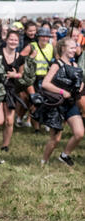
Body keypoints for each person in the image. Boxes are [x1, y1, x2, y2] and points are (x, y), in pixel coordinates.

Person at [39, 37, 84, 166]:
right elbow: (45, 84)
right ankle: (44, 162)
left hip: (70, 104)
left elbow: (79, 83)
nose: (74, 49)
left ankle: (64, 155)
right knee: (56, 139)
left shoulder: (75, 65)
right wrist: (61, 92)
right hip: (57, 105)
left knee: (79, 133)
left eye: (75, 47)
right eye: (71, 47)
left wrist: (80, 87)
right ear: (63, 48)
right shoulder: (56, 65)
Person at [0, 30, 26, 152]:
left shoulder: (20, 57)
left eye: (15, 40)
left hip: (11, 90)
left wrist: (16, 75)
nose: (13, 42)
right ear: (6, 40)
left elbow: (22, 74)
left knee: (9, 121)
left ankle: (5, 145)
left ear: (18, 42)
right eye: (11, 39)